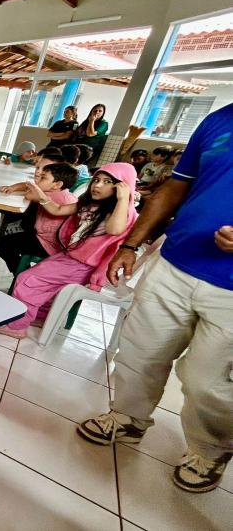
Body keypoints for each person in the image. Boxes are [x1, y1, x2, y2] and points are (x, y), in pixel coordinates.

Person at [76, 105, 233, 493]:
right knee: (140, 350)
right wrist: (131, 244)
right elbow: (176, 188)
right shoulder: (219, 120)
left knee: (205, 379)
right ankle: (128, 418)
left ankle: (210, 449)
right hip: (176, 262)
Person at [0, 162, 138, 338]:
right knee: (41, 281)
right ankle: (41, 316)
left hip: (83, 265)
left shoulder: (121, 212)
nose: (98, 185)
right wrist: (40, 194)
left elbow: (114, 229)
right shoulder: (89, 204)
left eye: (107, 182)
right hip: (70, 258)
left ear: (122, 187)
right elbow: (58, 209)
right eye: (96, 180)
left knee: (28, 279)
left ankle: (17, 326)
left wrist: (124, 199)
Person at [0, 158, 78, 280]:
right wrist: (18, 187)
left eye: (43, 177)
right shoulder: (65, 194)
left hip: (47, 244)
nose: (38, 178)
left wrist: (29, 186)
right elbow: (29, 186)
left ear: (57, 185)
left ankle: (21, 274)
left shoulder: (50, 196)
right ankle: (17, 271)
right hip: (51, 240)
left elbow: (29, 193)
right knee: (1, 236)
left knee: (2, 242)